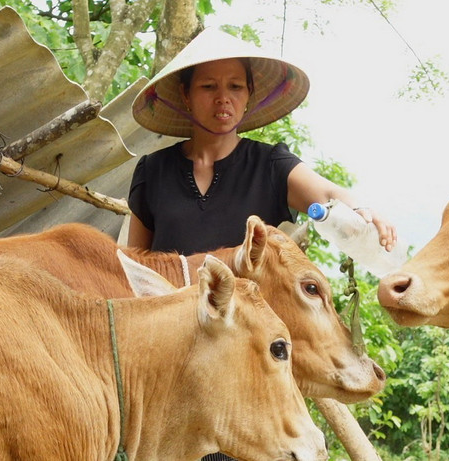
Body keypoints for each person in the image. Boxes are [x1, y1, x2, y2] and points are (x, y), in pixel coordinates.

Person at [127, 27, 397, 461]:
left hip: (251, 372)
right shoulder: (152, 171)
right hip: (173, 369)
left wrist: (362, 208)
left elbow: (328, 194)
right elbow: (131, 267)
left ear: (250, 96)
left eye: (235, 86)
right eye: (209, 87)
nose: (223, 99)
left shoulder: (270, 165)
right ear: (186, 95)